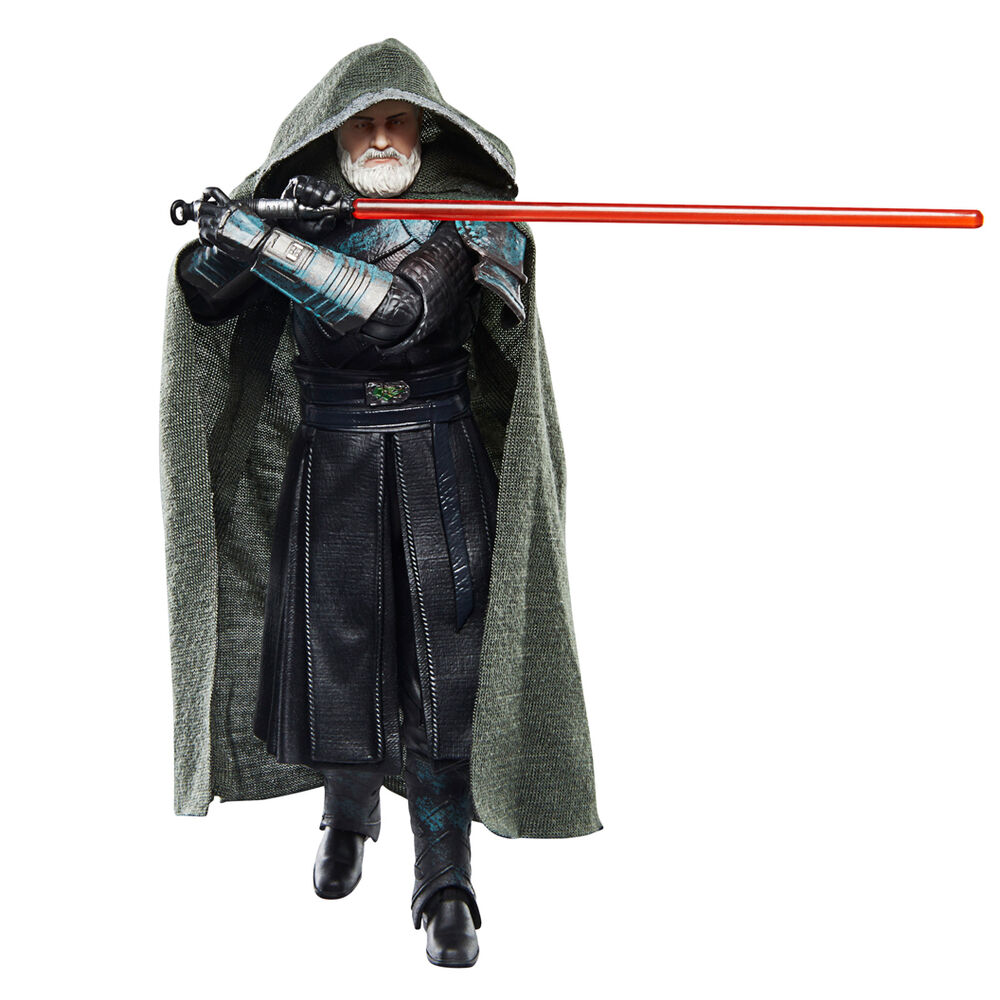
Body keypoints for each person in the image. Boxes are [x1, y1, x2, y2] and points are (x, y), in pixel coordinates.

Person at [162, 38, 601, 968]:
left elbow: (395, 311)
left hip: (439, 460)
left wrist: (264, 240)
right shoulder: (297, 208)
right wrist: (239, 232)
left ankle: (444, 879)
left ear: (426, 132)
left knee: (447, 680)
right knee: (337, 658)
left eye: (398, 121)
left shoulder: (470, 217)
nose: (380, 137)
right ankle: (347, 812)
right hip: (334, 463)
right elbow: (204, 295)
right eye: (362, 122)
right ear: (331, 134)